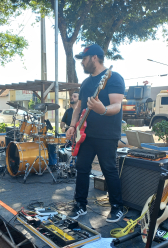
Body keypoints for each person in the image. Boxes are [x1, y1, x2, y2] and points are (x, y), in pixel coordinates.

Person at [66, 44, 125, 223]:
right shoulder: (85, 83)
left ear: (94, 58)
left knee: (108, 169)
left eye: (83, 59)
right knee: (82, 168)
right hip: (86, 134)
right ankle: (80, 205)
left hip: (107, 134)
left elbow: (117, 105)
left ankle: (117, 207)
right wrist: (72, 126)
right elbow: (79, 107)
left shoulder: (113, 78)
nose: (81, 63)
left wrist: (103, 109)